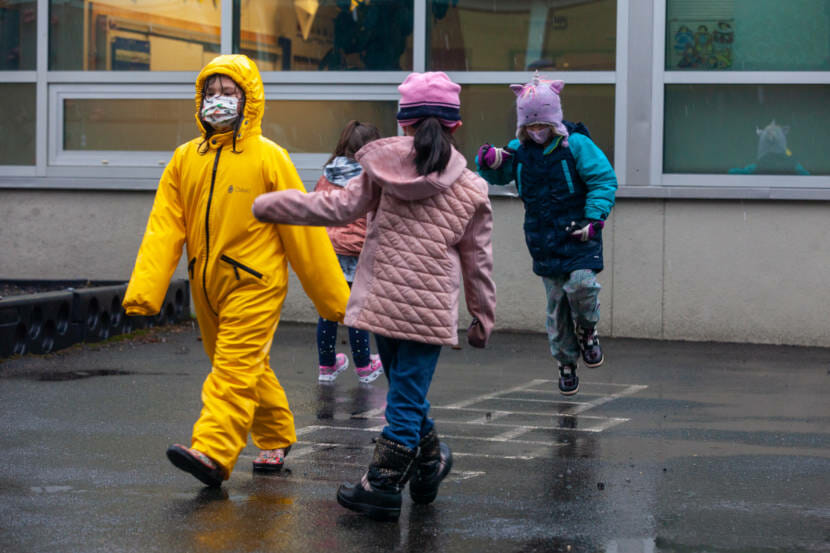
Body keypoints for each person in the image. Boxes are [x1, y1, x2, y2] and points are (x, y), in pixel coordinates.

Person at [253, 71, 497, 521]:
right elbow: (477, 262)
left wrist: (270, 204)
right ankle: (418, 467)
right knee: (407, 393)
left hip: (380, 301)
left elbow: (335, 208)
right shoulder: (472, 187)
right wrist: (483, 316)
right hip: (427, 313)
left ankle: (387, 482)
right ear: (455, 126)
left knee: (404, 394)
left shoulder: (382, 167)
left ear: (402, 121)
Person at [122, 55, 350, 487]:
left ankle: (212, 450)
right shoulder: (184, 159)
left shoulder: (269, 158)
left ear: (250, 100)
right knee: (244, 366)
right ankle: (276, 434)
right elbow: (164, 228)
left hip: (256, 284)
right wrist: (145, 290)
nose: (218, 102)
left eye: (229, 94)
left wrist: (336, 299)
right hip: (206, 287)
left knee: (232, 367)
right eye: (211, 94)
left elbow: (303, 232)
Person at [477, 72, 617, 397]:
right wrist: (487, 162)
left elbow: (603, 180)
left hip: (580, 232)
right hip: (542, 238)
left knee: (582, 286)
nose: (536, 132)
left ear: (554, 121)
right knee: (556, 303)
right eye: (529, 126)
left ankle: (588, 330)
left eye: (541, 125)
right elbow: (497, 174)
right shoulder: (520, 151)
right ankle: (566, 362)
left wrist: (594, 219)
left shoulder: (576, 145)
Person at [315, 120, 385, 384]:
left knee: (329, 310)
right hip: (358, 252)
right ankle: (364, 366)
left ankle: (327, 365)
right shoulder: (371, 177)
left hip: (329, 251)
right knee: (357, 310)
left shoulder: (327, 174)